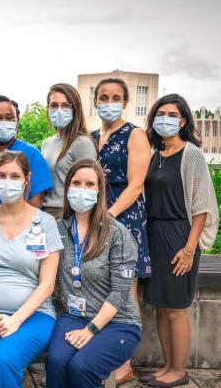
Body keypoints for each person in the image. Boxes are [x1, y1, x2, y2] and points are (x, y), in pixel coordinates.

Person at [0, 151, 62, 387]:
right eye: (2, 175)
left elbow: (47, 284)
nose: (8, 182)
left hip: (34, 315)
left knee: (4, 360)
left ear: (27, 179)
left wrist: (16, 319)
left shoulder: (45, 223)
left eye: (15, 176)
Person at [141, 94, 219, 387]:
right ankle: (166, 366)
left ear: (183, 120)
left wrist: (189, 249)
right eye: (160, 113)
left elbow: (201, 207)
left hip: (179, 236)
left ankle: (179, 370)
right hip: (154, 235)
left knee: (176, 307)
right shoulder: (155, 154)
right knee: (161, 306)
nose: (165, 118)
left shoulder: (192, 155)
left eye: (172, 114)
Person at [46, 159, 142, 388]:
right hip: (74, 315)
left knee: (82, 367)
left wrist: (90, 330)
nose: (82, 189)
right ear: (67, 187)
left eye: (89, 184)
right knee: (56, 362)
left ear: (99, 191)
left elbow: (120, 292)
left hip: (119, 321)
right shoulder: (58, 229)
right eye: (76, 183)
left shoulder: (118, 234)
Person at [90, 77, 151, 382]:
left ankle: (124, 364)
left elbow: (136, 184)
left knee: (126, 290)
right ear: (95, 100)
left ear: (125, 101)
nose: (109, 101)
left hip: (123, 220)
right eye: (104, 96)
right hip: (95, 220)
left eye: (115, 96)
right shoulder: (90, 136)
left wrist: (107, 216)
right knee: (100, 288)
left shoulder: (135, 134)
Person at [0, 95, 53, 211]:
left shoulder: (32, 154)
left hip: (19, 223)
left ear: (17, 120)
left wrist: (19, 223)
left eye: (9, 118)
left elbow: (38, 197)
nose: (3, 123)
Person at [42, 83, 97, 219]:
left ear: (75, 109)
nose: (59, 110)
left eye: (65, 105)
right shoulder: (47, 143)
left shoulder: (82, 142)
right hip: (45, 213)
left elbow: (90, 186)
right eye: (54, 105)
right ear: (48, 108)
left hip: (68, 213)